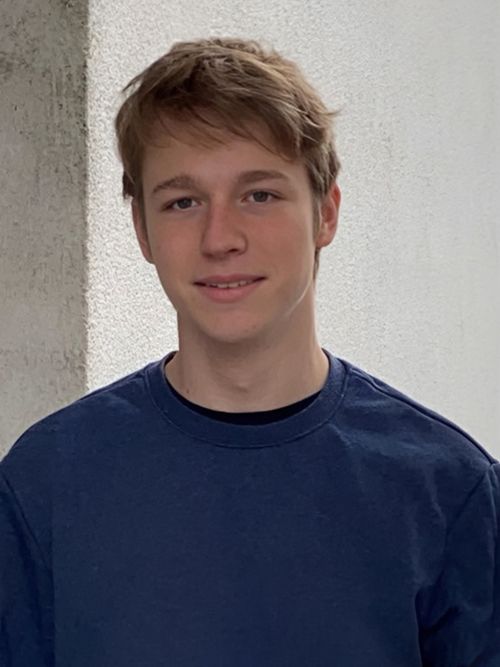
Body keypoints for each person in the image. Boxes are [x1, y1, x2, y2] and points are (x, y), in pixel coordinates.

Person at [1, 37, 498, 667]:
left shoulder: (447, 491)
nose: (220, 238)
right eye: (183, 202)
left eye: (258, 195)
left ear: (326, 213)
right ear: (143, 231)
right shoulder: (46, 481)